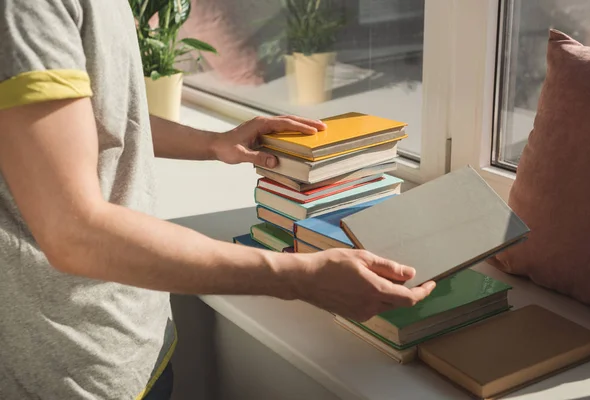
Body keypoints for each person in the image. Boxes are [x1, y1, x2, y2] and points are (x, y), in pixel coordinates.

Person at [0, 1, 436, 399]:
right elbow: (73, 232)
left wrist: (213, 143)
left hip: (132, 345)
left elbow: (95, 111)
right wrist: (301, 278)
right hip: (65, 369)